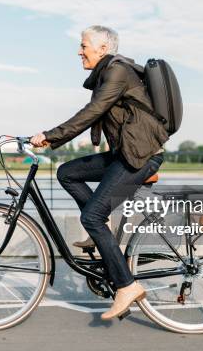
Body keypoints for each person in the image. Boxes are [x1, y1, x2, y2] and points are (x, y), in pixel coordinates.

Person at [30, 25, 169, 320]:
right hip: (125, 154)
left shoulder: (117, 72)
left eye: (83, 45)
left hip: (140, 157)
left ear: (102, 49)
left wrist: (50, 136)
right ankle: (100, 227)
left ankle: (126, 286)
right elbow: (94, 111)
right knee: (68, 172)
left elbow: (92, 112)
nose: (79, 51)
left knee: (89, 216)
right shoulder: (107, 73)